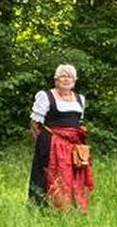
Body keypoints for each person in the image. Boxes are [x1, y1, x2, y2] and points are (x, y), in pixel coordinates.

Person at [28, 64, 93, 211]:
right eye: (63, 75)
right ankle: (45, 208)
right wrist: (41, 143)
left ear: (74, 80)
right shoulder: (46, 97)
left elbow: (79, 122)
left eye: (69, 76)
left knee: (73, 175)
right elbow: (34, 124)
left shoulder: (79, 99)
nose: (66, 79)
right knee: (48, 175)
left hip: (73, 145)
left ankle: (71, 208)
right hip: (50, 143)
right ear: (56, 79)